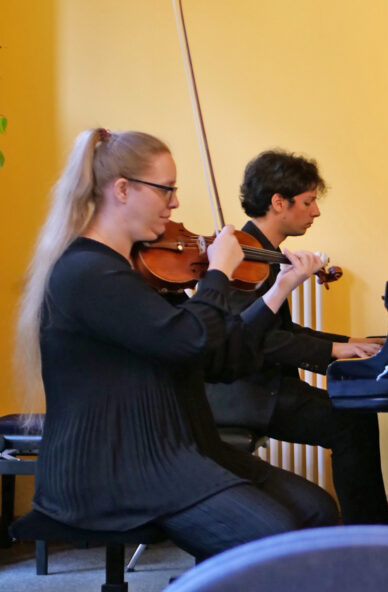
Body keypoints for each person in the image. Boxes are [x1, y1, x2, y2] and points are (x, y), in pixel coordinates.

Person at [14, 128, 340, 562]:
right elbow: (188, 340)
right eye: (165, 189)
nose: (175, 202)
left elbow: (220, 360)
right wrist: (217, 275)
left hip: (182, 447)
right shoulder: (86, 273)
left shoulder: (134, 270)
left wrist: (280, 287)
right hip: (119, 465)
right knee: (276, 542)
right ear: (123, 190)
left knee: (317, 511)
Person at [204, 149, 388, 525]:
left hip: (265, 384)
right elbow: (258, 339)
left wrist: (348, 341)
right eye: (308, 202)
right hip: (244, 393)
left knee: (356, 417)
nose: (316, 211)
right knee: (352, 424)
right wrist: (336, 349)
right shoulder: (240, 257)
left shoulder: (263, 252)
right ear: (278, 203)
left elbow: (278, 331)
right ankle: (368, 541)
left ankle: (369, 537)